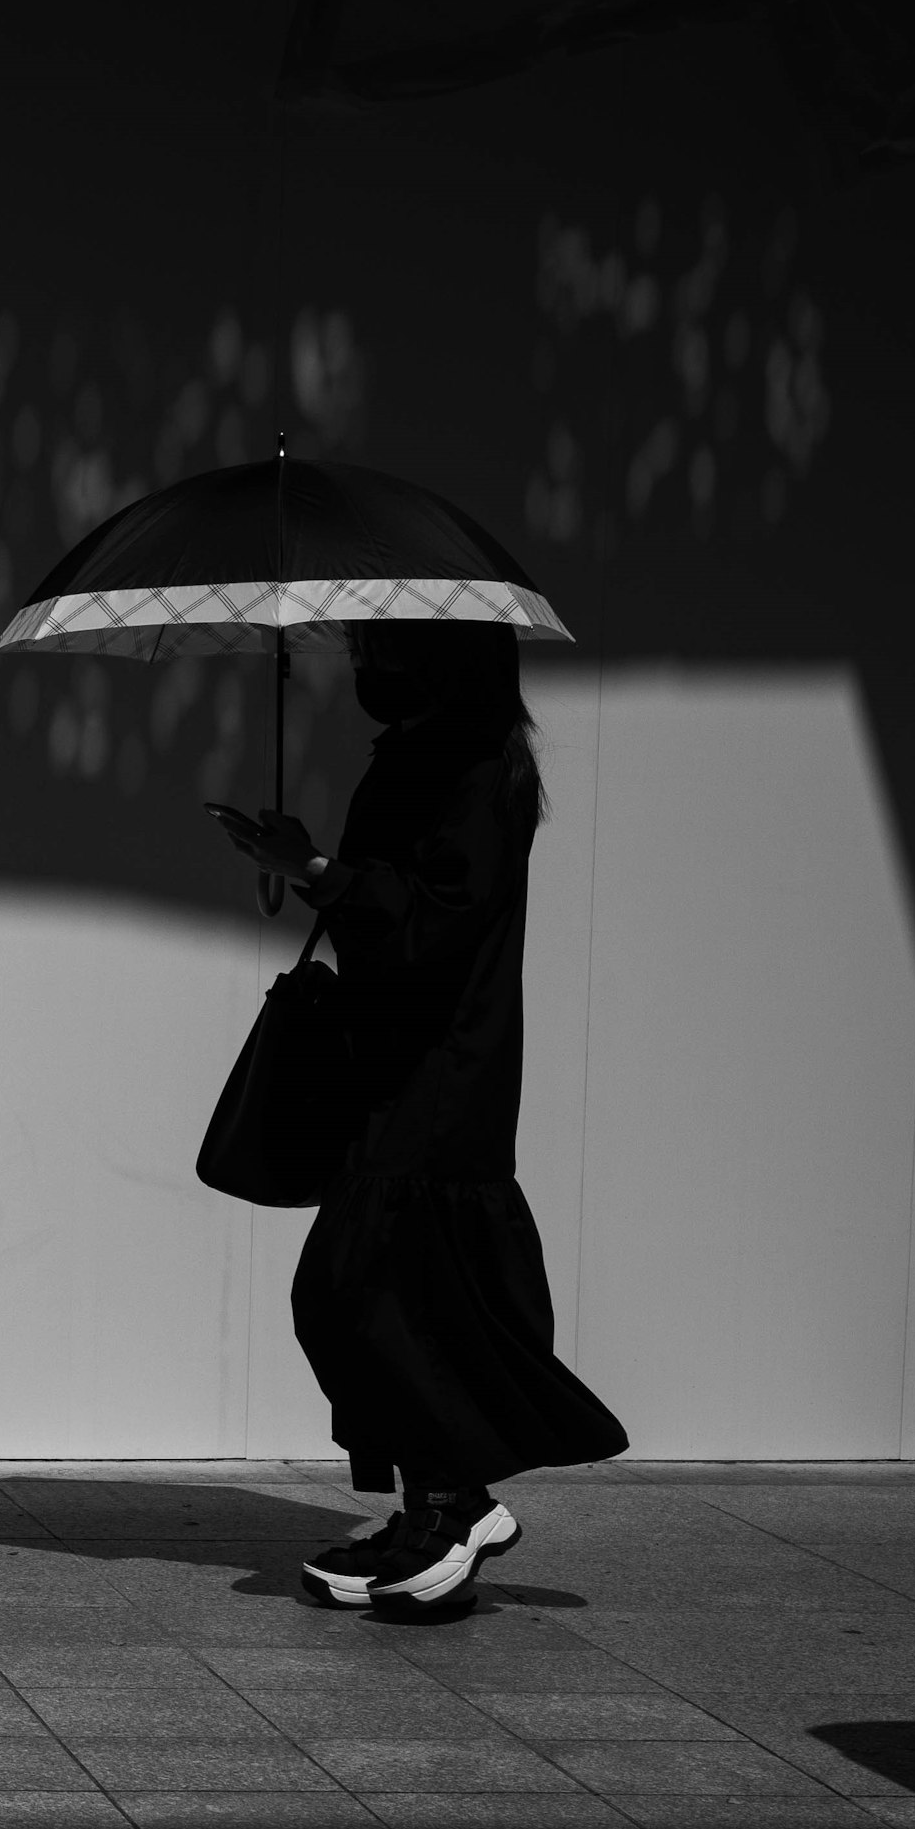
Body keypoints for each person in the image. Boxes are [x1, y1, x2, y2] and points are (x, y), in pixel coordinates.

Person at [223, 616, 628, 1612]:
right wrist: (305, 864)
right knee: (388, 1297)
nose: (362, 659)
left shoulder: (478, 771)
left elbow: (437, 920)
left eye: (378, 644)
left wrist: (321, 869)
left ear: (439, 658)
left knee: (354, 1289)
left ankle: (454, 1497)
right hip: (393, 1068)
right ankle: (435, 1502)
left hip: (442, 1079)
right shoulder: (424, 754)